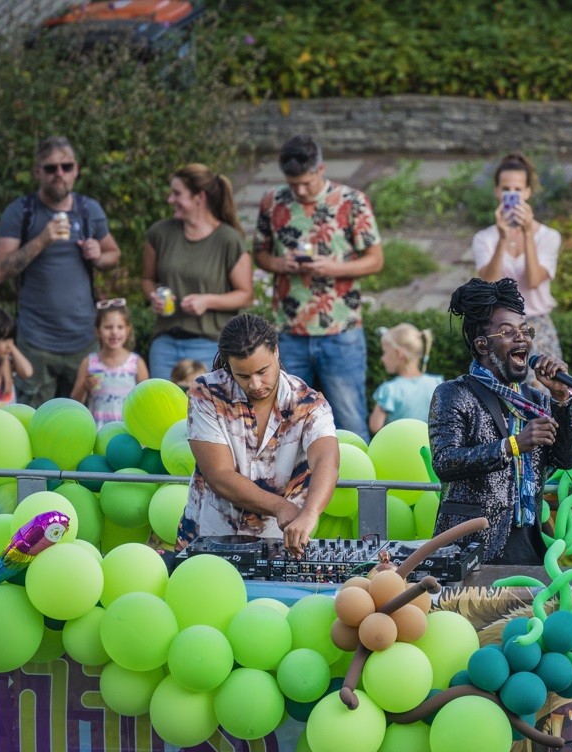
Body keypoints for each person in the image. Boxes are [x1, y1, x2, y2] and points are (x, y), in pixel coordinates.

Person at [428, 278, 572, 565]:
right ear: (483, 345)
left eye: (525, 330)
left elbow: (566, 459)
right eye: (508, 332)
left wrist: (561, 398)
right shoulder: (453, 394)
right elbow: (445, 463)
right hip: (471, 548)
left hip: (528, 546)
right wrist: (513, 444)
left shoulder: (537, 400)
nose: (522, 338)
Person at [171, 314, 339, 557]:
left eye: (262, 371)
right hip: (208, 539)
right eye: (244, 376)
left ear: (276, 353)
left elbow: (327, 460)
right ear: (228, 366)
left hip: (278, 549)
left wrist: (310, 513)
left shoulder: (310, 402)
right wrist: (281, 507)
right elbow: (219, 475)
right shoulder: (206, 392)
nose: (256, 384)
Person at [253, 135, 383, 441]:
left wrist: (333, 268)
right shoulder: (272, 201)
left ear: (321, 169)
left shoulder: (352, 201)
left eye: (306, 183)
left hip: (341, 331)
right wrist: (279, 263)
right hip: (289, 330)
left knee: (350, 422)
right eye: (292, 183)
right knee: (287, 421)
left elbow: (376, 260)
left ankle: (358, 486)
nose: (299, 190)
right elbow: (259, 254)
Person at [0, 136, 121, 406]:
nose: (59, 174)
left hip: (84, 340)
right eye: (51, 168)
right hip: (36, 343)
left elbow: (114, 255)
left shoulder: (89, 211)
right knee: (34, 426)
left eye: (66, 166)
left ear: (76, 169)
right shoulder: (21, 212)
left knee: (83, 424)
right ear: (37, 171)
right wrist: (41, 240)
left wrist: (99, 254)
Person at [142, 163, 254, 378]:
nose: (170, 200)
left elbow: (245, 295)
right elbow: (147, 279)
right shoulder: (159, 233)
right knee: (161, 411)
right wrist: (152, 295)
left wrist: (207, 301)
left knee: (205, 410)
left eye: (177, 194)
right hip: (165, 343)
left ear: (199, 198)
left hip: (209, 344)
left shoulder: (228, 239)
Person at [473, 153, 564, 364]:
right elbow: (489, 284)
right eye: (506, 189)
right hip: (498, 327)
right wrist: (502, 239)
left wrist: (528, 233)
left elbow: (533, 281)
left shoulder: (548, 236)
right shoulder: (484, 239)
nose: (511, 194)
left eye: (517, 189)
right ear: (497, 191)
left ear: (527, 192)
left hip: (537, 326)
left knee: (544, 390)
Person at [70, 299, 148, 428]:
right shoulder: (89, 362)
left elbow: (146, 401)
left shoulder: (136, 363)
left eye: (120, 327)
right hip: (97, 431)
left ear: (128, 330)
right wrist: (85, 386)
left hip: (128, 432)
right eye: (108, 327)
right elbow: (75, 402)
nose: (114, 332)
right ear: (97, 331)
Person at [369, 323, 442, 433]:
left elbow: (375, 426)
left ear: (399, 354)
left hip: (399, 448)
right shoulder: (436, 383)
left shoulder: (390, 390)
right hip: (430, 447)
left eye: (384, 352)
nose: (382, 358)